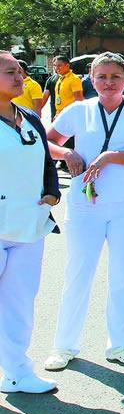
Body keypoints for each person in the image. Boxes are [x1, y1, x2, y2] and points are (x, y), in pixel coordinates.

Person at [43, 53, 124, 371]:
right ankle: (64, 346)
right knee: (77, 273)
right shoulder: (78, 110)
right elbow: (48, 142)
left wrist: (110, 156)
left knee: (123, 275)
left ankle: (119, 344)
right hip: (85, 206)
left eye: (115, 77)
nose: (109, 83)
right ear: (91, 80)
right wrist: (67, 152)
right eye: (102, 77)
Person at [0, 52, 61, 394]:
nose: (19, 77)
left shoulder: (29, 118)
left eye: (20, 71)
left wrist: (52, 193)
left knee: (19, 305)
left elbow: (46, 161)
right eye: (10, 72)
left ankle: (17, 373)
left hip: (28, 227)